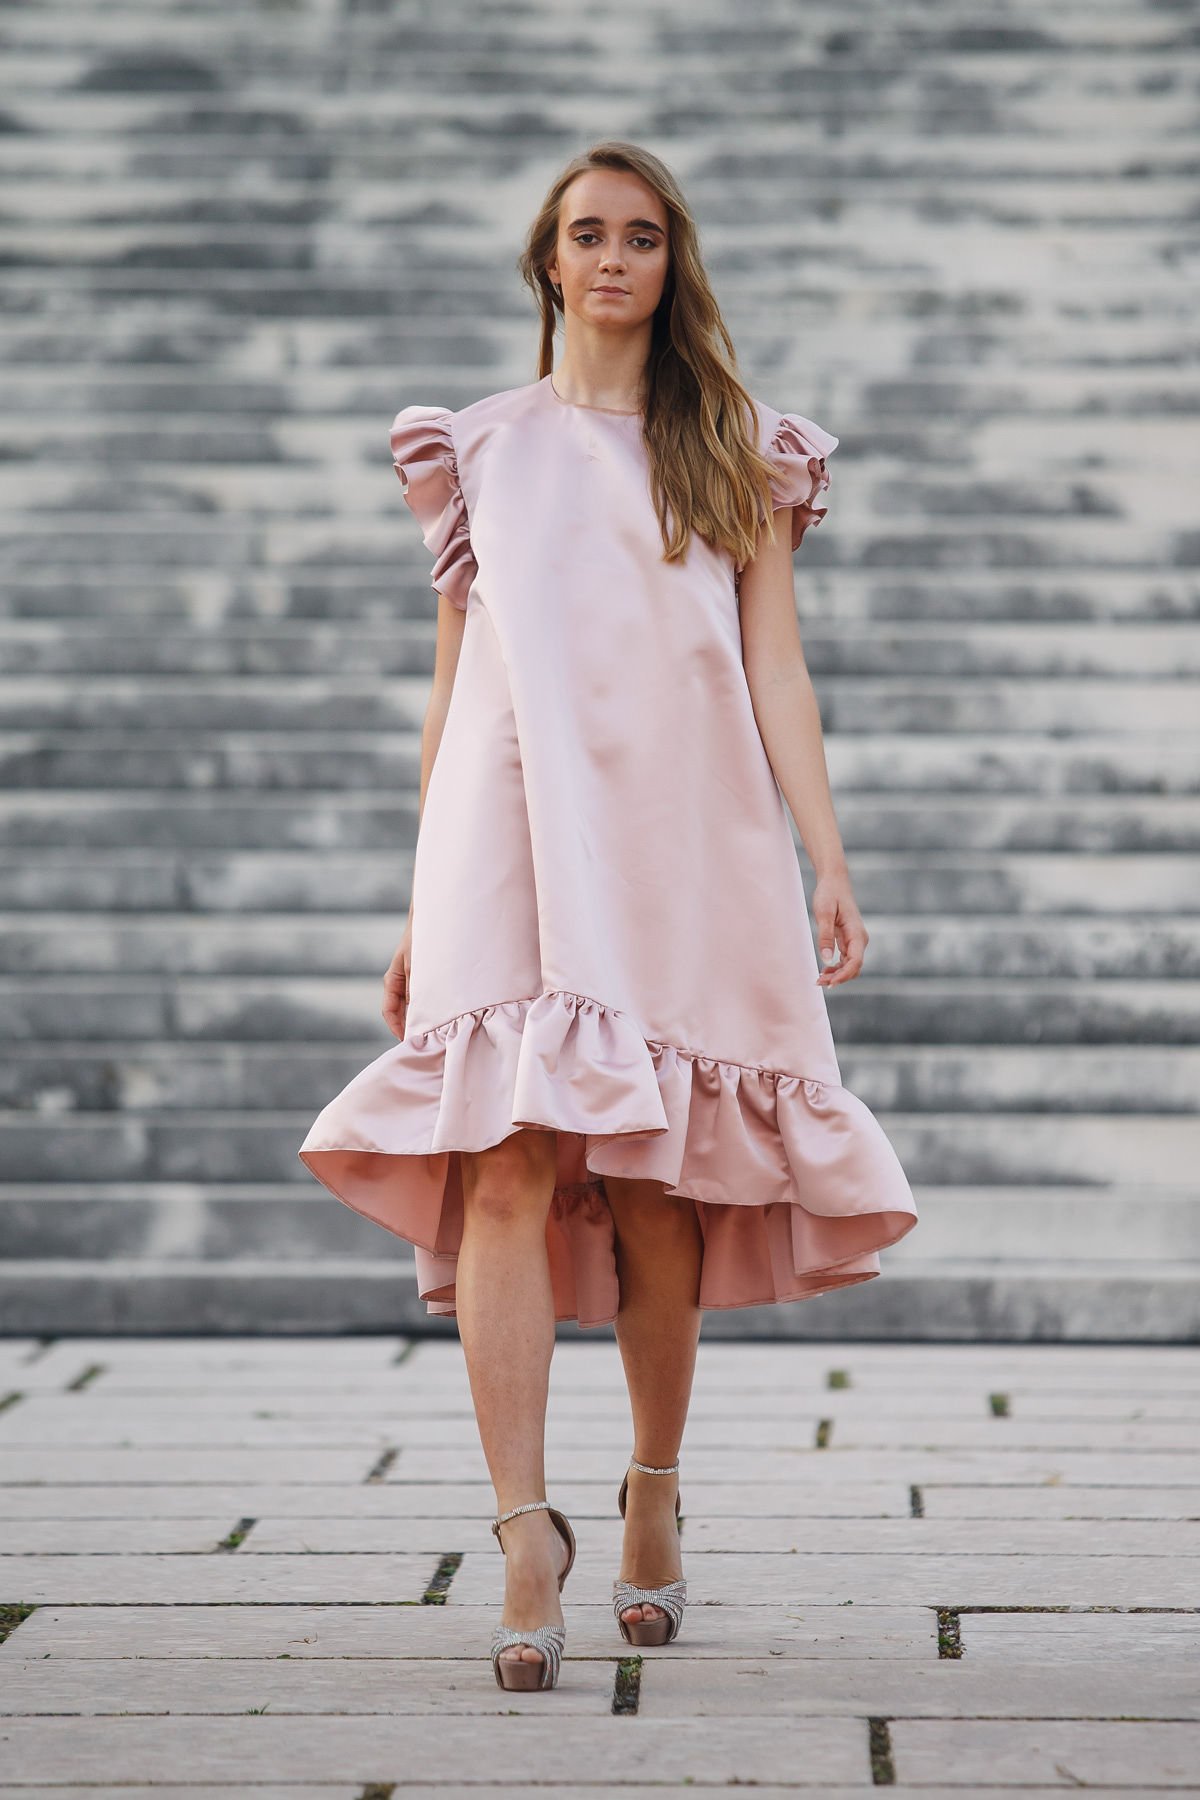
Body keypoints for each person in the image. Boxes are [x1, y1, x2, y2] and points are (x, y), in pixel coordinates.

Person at [299, 140, 918, 1692]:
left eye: (642, 236)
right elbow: (457, 683)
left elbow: (774, 664)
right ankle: (524, 1534)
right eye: (587, 234)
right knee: (502, 1161)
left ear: (671, 262)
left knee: (657, 1181)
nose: (614, 259)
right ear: (548, 262)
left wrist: (829, 856)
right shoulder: (477, 450)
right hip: (503, 831)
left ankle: (650, 1490)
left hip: (677, 835)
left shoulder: (739, 450)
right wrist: (420, 900)